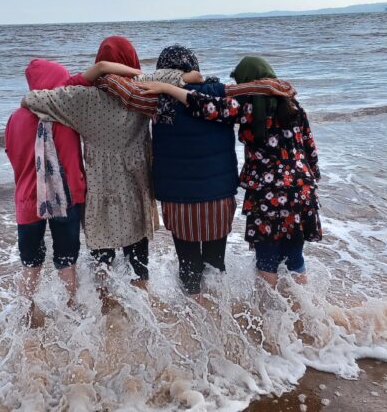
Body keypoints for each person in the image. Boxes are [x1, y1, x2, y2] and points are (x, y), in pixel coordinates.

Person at [95, 48, 298, 298]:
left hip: (178, 199)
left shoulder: (154, 100)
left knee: (188, 266)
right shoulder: (220, 94)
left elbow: (120, 88)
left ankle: (194, 323)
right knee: (215, 263)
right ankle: (217, 316)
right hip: (219, 195)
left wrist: (148, 78)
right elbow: (271, 86)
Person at [20, 37, 190, 301]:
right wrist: (140, 73)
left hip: (101, 187)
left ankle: (106, 319)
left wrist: (92, 74)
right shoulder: (144, 90)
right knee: (138, 263)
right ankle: (142, 313)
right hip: (136, 183)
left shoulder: (82, 98)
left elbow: (31, 99)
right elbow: (184, 77)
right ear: (131, 60)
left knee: (102, 266)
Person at [135, 56, 322, 289]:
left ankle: (269, 320)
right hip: (304, 191)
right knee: (295, 259)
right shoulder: (295, 108)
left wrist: (166, 88)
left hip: (269, 195)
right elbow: (311, 153)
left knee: (267, 260)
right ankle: (305, 316)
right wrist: (306, 183)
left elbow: (202, 105)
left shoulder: (247, 108)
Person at [6, 58, 141, 326]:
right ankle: (72, 307)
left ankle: (25, 311)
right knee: (66, 259)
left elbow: (11, 154)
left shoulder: (15, 118)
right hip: (66, 199)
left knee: (30, 262)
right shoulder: (66, 113)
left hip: (27, 201)